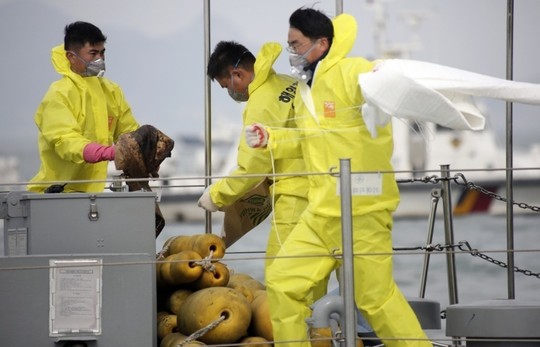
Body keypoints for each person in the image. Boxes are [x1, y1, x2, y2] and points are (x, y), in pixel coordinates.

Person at [245, 8, 431, 347]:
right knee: (284, 283)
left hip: (363, 213)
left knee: (376, 298)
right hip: (321, 213)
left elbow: (373, 78)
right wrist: (270, 137)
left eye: (296, 44)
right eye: (289, 44)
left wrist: (381, 76)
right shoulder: (306, 91)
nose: (292, 52)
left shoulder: (350, 71)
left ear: (322, 43)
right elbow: (304, 138)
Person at [198, 41, 331, 297]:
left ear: (237, 75)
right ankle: (318, 331)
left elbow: (252, 166)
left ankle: (293, 335)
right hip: (323, 187)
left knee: (281, 273)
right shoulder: (285, 82)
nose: (231, 92)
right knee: (314, 269)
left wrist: (216, 196)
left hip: (295, 193)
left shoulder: (260, 103)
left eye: (227, 86)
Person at [27, 21, 140, 193]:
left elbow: (129, 132)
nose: (100, 59)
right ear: (71, 57)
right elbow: (65, 140)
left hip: (92, 195)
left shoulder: (112, 91)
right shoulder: (58, 94)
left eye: (102, 53)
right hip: (54, 195)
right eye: (93, 53)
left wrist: (145, 146)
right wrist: (108, 152)